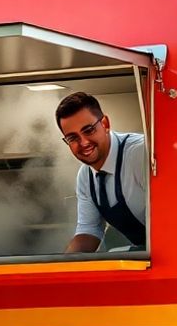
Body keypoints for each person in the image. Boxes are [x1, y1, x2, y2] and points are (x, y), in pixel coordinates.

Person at [57, 92, 148, 252]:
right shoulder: (85, 176)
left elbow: (174, 220)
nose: (83, 143)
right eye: (72, 138)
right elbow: (89, 230)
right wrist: (65, 264)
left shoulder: (140, 155)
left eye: (88, 130)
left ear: (105, 124)